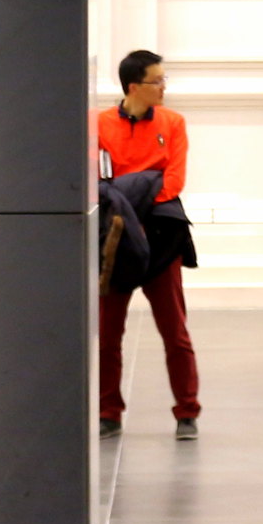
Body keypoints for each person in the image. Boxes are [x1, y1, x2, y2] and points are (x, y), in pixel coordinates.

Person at [97, 50, 201, 439]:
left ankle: (186, 411)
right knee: (108, 335)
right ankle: (109, 412)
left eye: (164, 79)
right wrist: (141, 186)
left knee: (175, 332)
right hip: (116, 239)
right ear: (133, 87)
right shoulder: (99, 124)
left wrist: (131, 194)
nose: (164, 87)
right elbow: (99, 183)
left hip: (160, 237)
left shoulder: (173, 122)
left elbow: (173, 179)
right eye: (157, 81)